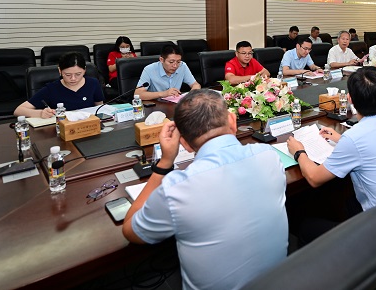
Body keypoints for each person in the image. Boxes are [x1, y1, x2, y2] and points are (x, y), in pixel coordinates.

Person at [123, 89, 288, 289]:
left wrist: (164, 163)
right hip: (279, 281)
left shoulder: (176, 189)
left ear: (184, 143)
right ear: (232, 121)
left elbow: (130, 231)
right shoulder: (269, 155)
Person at [287, 66, 376, 218]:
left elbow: (314, 178)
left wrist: (299, 151)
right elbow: (374, 144)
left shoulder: (354, 138)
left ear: (349, 99)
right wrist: (340, 139)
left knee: (309, 223)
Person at [14, 52, 104, 118]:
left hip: (89, 127)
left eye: (78, 74)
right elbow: (18, 110)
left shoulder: (93, 83)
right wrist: (40, 113)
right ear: (60, 71)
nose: (73, 78)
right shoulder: (52, 89)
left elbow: (99, 107)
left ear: (84, 70)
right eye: (68, 75)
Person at [135, 44, 200, 100]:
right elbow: (138, 94)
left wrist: (190, 96)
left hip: (175, 104)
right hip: (156, 105)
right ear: (161, 60)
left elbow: (196, 85)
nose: (175, 66)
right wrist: (163, 94)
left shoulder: (182, 66)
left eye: (178, 62)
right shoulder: (149, 69)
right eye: (171, 62)